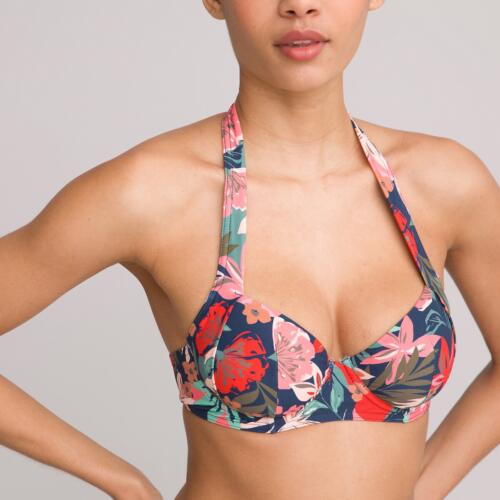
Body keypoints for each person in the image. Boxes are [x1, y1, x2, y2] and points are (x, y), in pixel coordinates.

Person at [1, 1, 498, 499]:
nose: (299, 5)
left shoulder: (444, 182)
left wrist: (419, 490)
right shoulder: (153, 192)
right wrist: (125, 483)